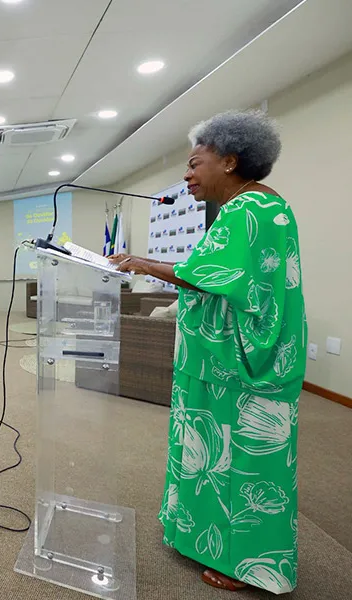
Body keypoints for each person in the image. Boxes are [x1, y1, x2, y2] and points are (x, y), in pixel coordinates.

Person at [108, 110, 304, 594]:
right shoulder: (263, 206)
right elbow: (218, 274)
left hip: (237, 367)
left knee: (239, 462)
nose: (187, 174)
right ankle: (204, 538)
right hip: (233, 362)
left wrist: (137, 262)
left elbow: (209, 277)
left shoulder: (246, 210)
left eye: (196, 164)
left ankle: (247, 564)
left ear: (231, 161)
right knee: (216, 456)